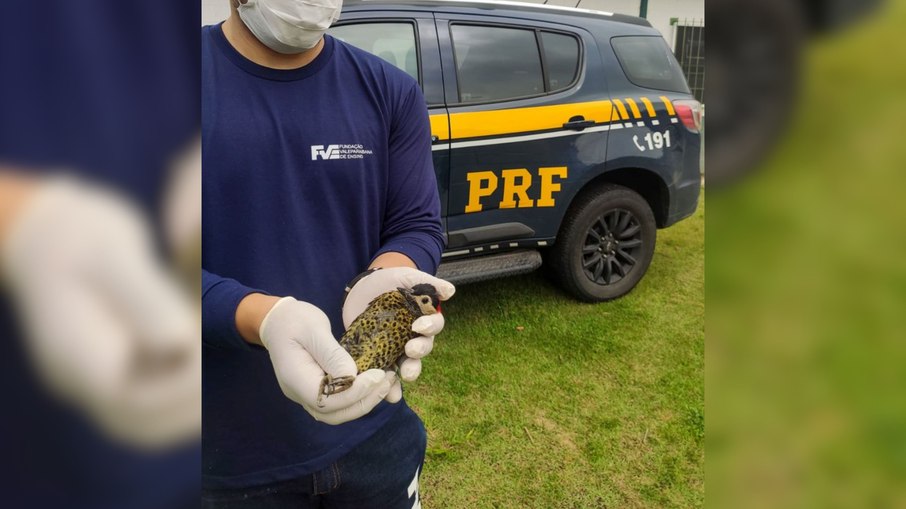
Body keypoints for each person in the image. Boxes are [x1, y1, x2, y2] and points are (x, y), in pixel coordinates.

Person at [201, 0, 454, 507]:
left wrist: (389, 275)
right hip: (223, 457)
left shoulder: (390, 90)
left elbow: (417, 223)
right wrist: (262, 319)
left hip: (375, 434)